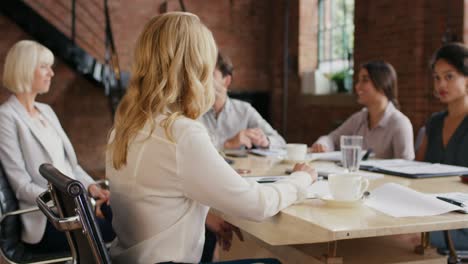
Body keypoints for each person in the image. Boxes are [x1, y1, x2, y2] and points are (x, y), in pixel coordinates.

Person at [106, 12, 316, 264]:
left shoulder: (125, 126)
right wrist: (301, 179)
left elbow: (155, 198)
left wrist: (206, 216)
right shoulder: (181, 133)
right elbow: (257, 205)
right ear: (198, 66)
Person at [0, 40, 114, 252]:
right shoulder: (6, 117)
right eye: (44, 66)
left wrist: (91, 187)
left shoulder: (46, 111)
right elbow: (22, 187)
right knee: (116, 232)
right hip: (48, 220)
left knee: (124, 215)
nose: (51, 73)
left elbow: (70, 166)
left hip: (74, 208)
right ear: (24, 68)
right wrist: (73, 199)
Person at [416, 42, 468, 250]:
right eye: (437, 78)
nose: (441, 85)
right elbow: (416, 171)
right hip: (430, 212)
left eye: (449, 76)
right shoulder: (434, 122)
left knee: (405, 238)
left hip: (462, 220)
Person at [311, 61, 415, 160]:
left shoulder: (400, 123)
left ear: (383, 84)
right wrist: (322, 145)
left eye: (364, 80)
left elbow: (406, 166)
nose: (357, 86)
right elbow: (332, 138)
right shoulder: (359, 118)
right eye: (358, 80)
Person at [199, 53, 286, 150]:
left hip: (238, 165)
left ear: (226, 81)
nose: (203, 80)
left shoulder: (244, 110)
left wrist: (265, 141)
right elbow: (193, 149)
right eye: (203, 75)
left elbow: (280, 142)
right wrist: (228, 144)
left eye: (211, 74)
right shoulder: (195, 111)